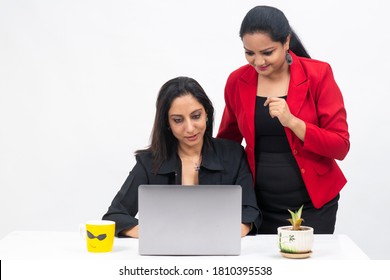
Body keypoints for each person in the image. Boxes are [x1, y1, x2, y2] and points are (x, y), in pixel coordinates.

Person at [217, 6, 350, 234]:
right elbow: (227, 144)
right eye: (249, 53)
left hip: (313, 206)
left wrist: (293, 122)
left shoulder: (319, 75)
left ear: (286, 41)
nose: (258, 62)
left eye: (267, 52)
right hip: (258, 205)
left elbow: (340, 146)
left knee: (307, 268)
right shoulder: (237, 81)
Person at [103, 76, 261, 238]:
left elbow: (250, 211)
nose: (190, 128)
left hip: (219, 253)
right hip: (166, 255)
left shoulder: (233, 154)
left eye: (196, 116)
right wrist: (158, 233)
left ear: (207, 113)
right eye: (178, 120)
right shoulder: (149, 162)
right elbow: (115, 217)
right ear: (167, 123)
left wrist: (227, 234)